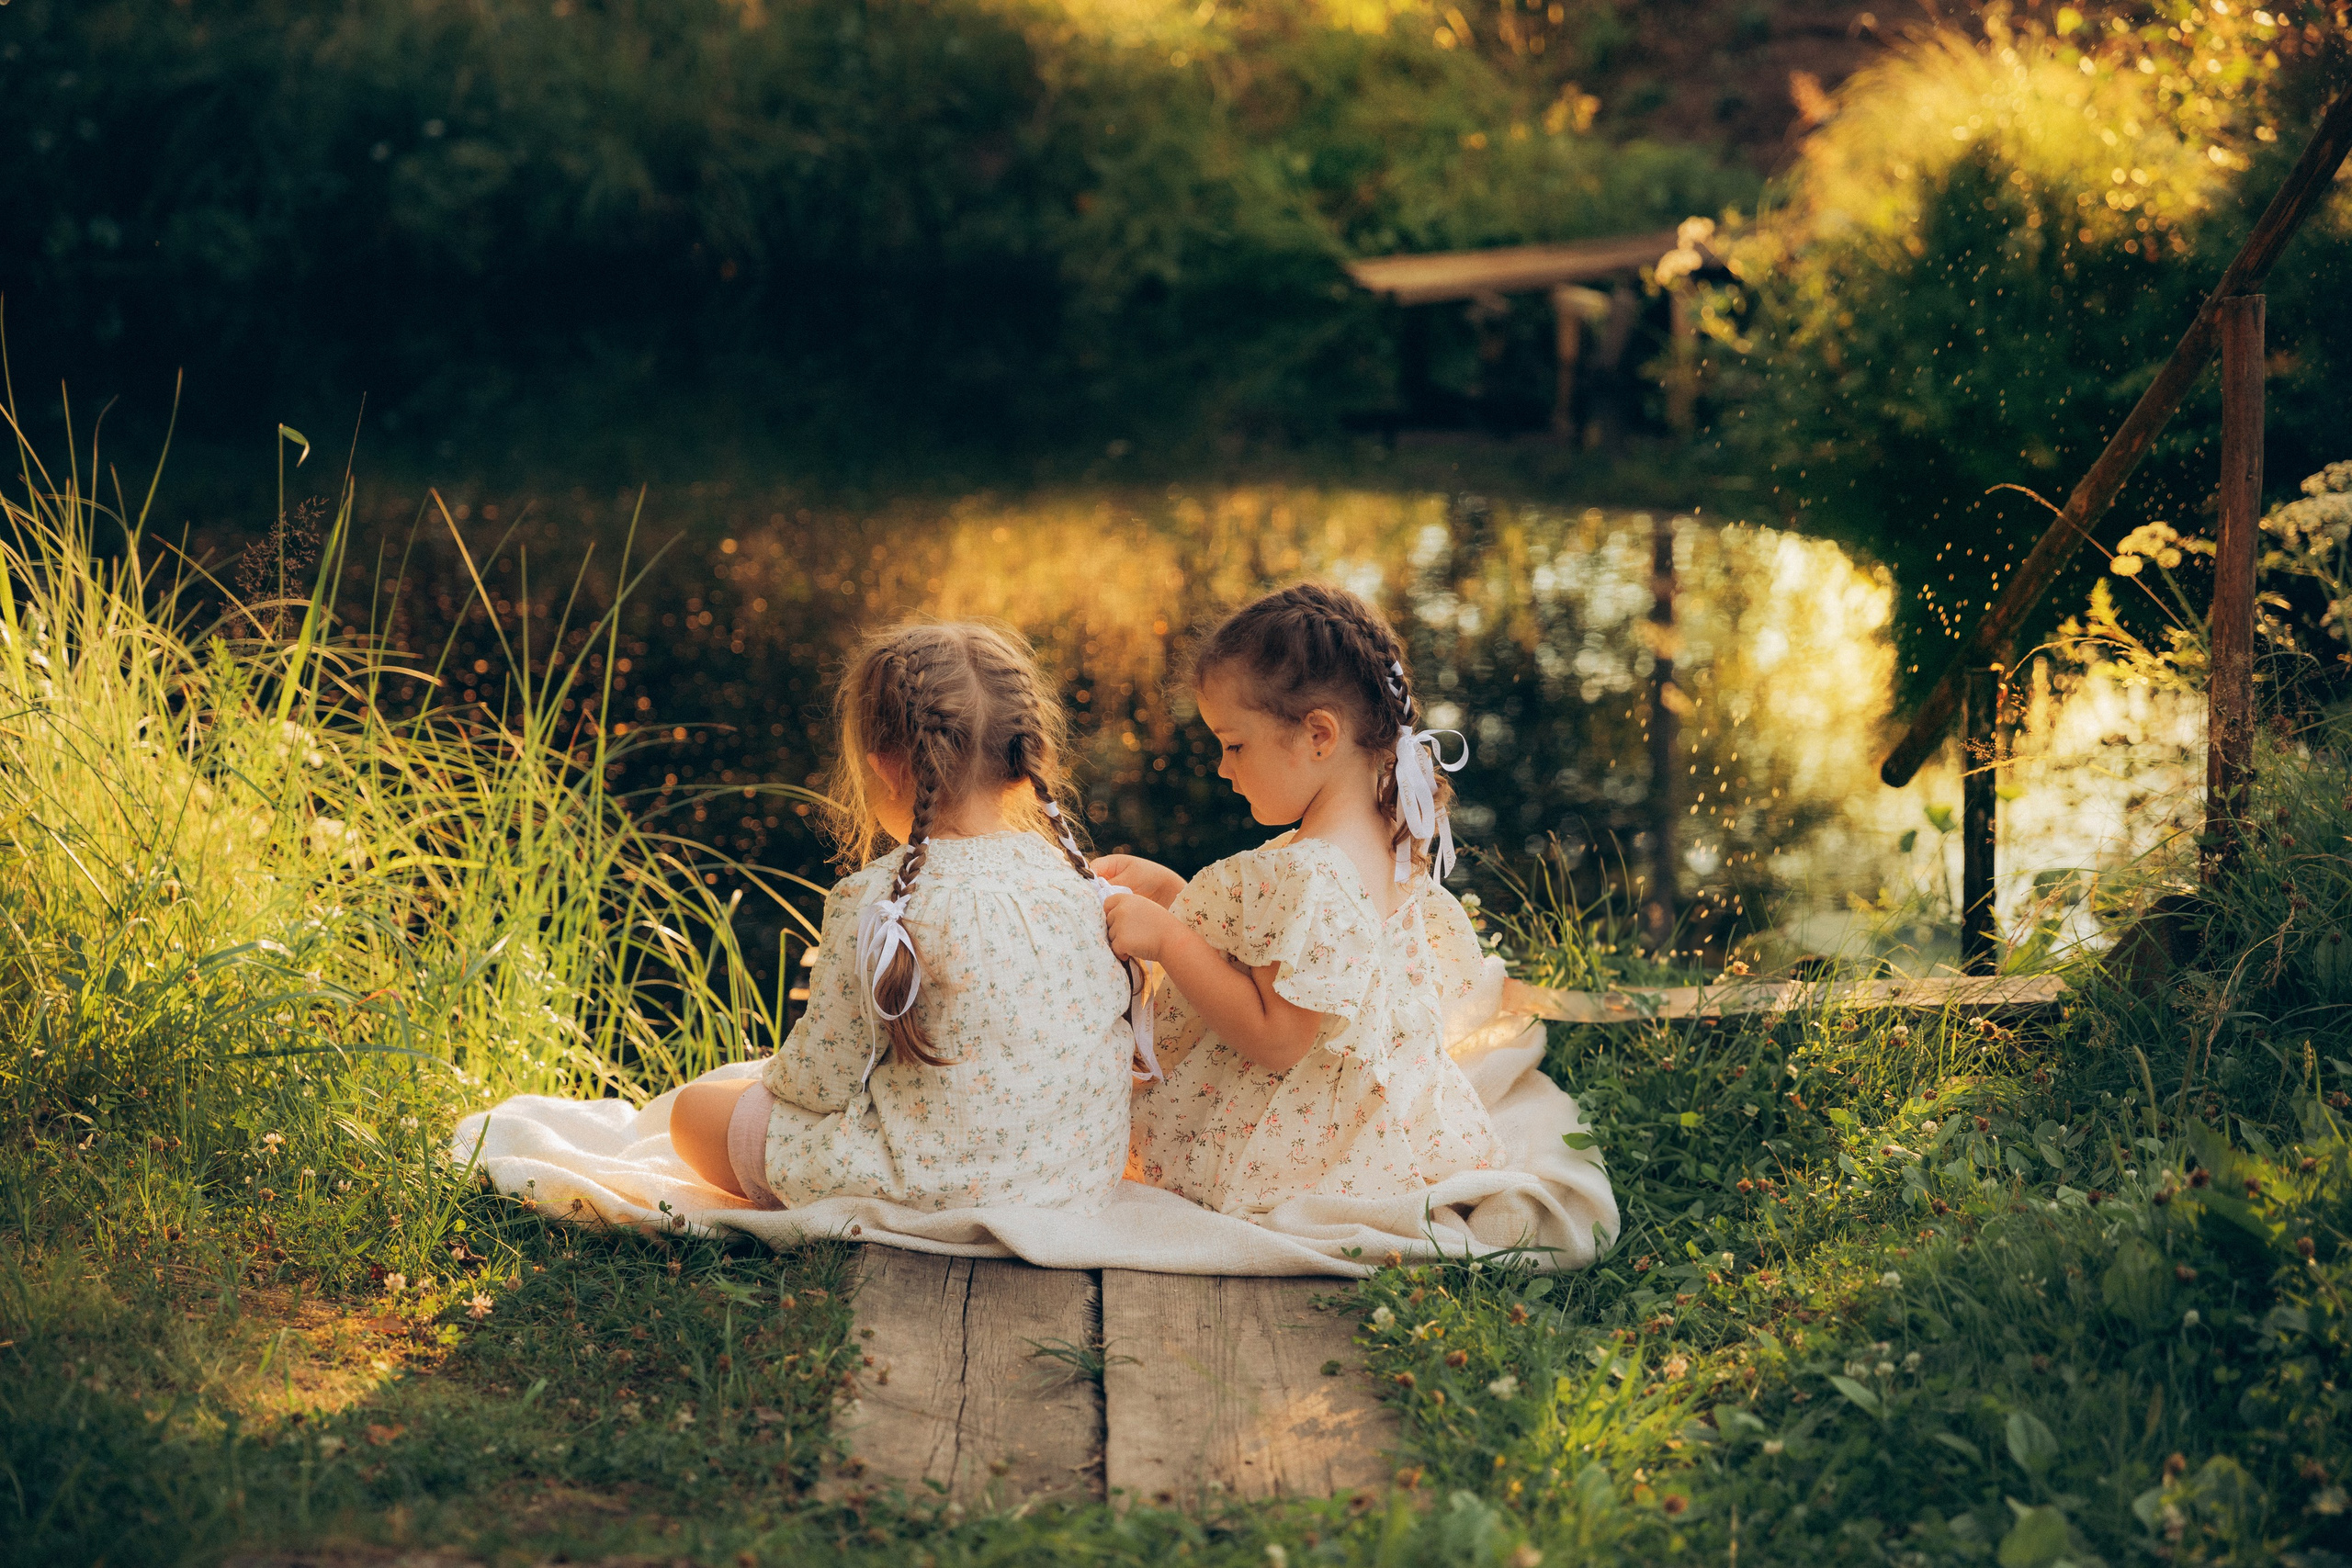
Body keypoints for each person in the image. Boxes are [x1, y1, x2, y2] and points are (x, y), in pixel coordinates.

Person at [670, 621, 1143, 1213]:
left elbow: (818, 1082)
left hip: (929, 1187)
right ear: (1025, 761)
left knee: (694, 1111)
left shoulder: (879, 900)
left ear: (887, 767)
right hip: (1071, 1176)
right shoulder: (1078, 883)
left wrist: (768, 1094)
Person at [1095, 582, 1509, 1216]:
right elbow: (1299, 961)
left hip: (1301, 1148)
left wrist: (1169, 939)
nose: (1222, 768)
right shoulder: (1380, 826)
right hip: (1379, 1116)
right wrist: (1177, 896)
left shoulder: (1311, 870)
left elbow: (1278, 1034)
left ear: (1319, 734)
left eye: (1234, 744)